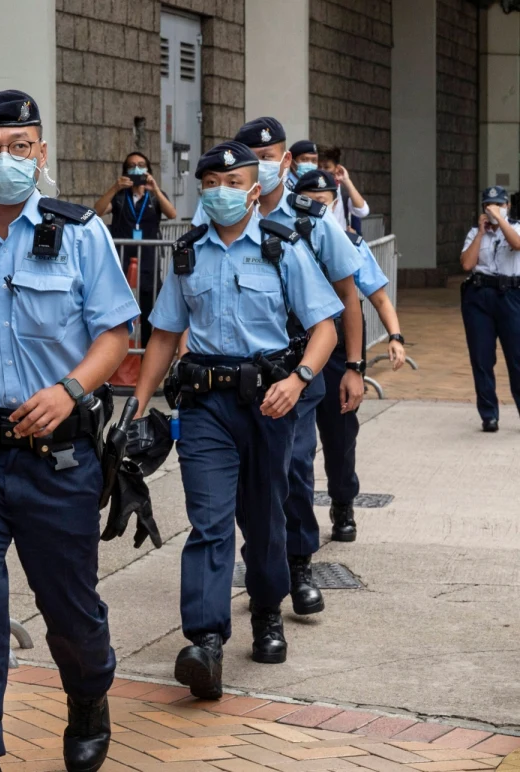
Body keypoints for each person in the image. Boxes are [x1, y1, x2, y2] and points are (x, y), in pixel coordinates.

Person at [0, 90, 138, 772]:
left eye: (18, 146)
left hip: (57, 459)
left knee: (69, 608)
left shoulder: (78, 233)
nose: (4, 159)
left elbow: (115, 333)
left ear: (40, 154)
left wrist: (71, 390)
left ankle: (89, 691)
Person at [133, 141, 342, 700]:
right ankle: (204, 641)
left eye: (232, 185)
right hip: (205, 406)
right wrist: (138, 401)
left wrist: (298, 380)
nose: (220, 194)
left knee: (265, 517)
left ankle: (268, 612)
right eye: (211, 185)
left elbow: (325, 327)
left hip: (269, 404)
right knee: (208, 520)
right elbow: (164, 335)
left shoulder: (282, 248)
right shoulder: (189, 253)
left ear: (255, 190)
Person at [232, 118, 364, 617]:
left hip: (302, 364)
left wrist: (353, 365)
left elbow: (347, 295)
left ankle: (300, 562)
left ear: (286, 162)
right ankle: (263, 564)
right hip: (240, 370)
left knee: (292, 465)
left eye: (270, 158)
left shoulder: (312, 218)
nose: (261, 167)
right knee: (249, 475)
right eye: (253, 158)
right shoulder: (224, 217)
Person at [301, 170, 407, 540]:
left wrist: (393, 336)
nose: (317, 205)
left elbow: (377, 296)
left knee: (340, 437)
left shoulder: (350, 243)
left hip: (338, 352)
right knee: (293, 445)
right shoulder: (284, 240)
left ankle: (343, 503)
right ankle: (294, 523)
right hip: (295, 348)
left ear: (334, 202)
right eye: (309, 198)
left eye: (323, 199)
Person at [94, 151, 177, 345]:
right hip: (122, 256)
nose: (136, 169)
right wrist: (114, 188)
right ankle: (116, 348)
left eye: (141, 165)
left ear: (148, 169)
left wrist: (155, 189)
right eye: (132, 166)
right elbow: (96, 211)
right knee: (118, 300)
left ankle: (146, 350)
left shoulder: (155, 196)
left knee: (149, 302)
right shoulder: (121, 197)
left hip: (148, 256)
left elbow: (172, 213)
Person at [459, 186, 520, 432]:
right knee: (482, 357)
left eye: (499, 205)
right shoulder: (475, 232)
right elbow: (466, 263)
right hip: (479, 296)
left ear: (507, 206)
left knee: (517, 358)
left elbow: (517, 245)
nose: (494, 209)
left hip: (511, 295)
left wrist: (502, 221)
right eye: (489, 205)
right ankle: (489, 414)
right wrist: (481, 233)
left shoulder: (515, 227)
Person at [318, 147, 370, 233]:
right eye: (318, 167)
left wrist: (346, 180)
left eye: (326, 167)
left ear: (336, 168)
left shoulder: (342, 192)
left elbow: (363, 211)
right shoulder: (308, 190)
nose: (322, 171)